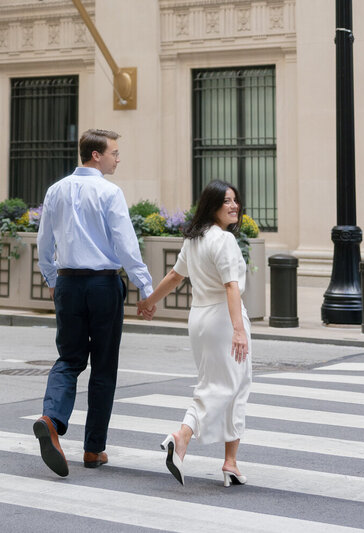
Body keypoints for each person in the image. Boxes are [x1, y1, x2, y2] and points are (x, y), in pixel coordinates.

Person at [33, 129, 154, 477]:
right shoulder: (109, 192)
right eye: (114, 152)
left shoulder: (55, 190)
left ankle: (51, 419)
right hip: (103, 284)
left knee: (69, 359)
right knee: (103, 367)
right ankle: (93, 449)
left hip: (69, 282)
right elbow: (126, 244)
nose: (118, 158)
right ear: (96, 156)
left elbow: (43, 243)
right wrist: (144, 286)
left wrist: (54, 280)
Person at [137, 179, 252, 487]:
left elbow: (176, 276)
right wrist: (238, 330)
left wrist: (149, 302)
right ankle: (182, 435)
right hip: (223, 319)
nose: (233, 206)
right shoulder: (224, 241)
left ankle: (231, 462)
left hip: (200, 318)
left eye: (235, 200)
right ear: (212, 206)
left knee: (230, 385)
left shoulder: (195, 238)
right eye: (226, 201)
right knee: (225, 386)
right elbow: (231, 286)